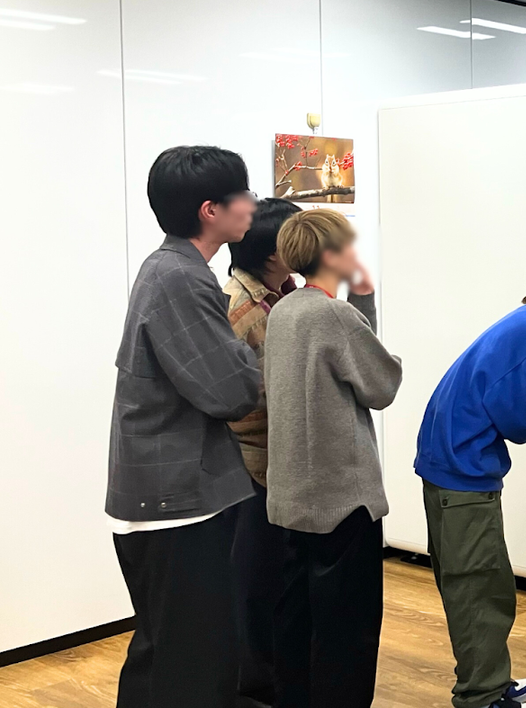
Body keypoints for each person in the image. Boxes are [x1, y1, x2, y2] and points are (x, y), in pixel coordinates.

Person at [107, 146, 262, 708]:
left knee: (167, 653)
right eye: (242, 195)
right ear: (209, 210)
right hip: (178, 499)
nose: (252, 205)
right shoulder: (180, 278)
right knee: (191, 663)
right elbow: (231, 392)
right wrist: (247, 356)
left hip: (172, 494)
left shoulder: (173, 269)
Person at [415, 244, 526, 708]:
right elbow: (520, 422)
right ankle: (482, 696)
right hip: (462, 474)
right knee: (479, 590)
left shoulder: (523, 321)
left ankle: (488, 680)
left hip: (448, 465)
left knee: (478, 585)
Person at [265, 208, 403, 708]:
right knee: (348, 634)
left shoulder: (284, 311)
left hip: (291, 497)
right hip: (342, 500)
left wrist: (359, 299)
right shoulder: (334, 315)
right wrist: (363, 299)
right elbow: (381, 384)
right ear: (333, 254)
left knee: (298, 625)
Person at [223, 197, 301, 708]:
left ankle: (281, 677)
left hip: (284, 461)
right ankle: (257, 687)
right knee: (256, 583)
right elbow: (247, 398)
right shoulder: (238, 306)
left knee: (281, 581)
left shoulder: (286, 295)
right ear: (274, 253)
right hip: (254, 464)